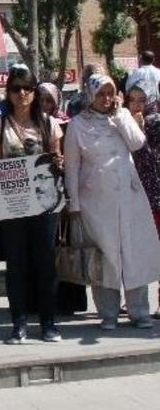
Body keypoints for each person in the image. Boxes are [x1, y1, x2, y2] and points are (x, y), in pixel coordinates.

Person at [64, 74, 160, 330]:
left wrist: (119, 117)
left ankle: (139, 311)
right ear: (90, 95)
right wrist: (73, 204)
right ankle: (108, 313)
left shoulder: (123, 116)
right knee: (105, 257)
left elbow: (138, 143)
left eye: (111, 93)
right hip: (95, 201)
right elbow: (71, 167)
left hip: (129, 198)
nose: (106, 99)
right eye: (101, 94)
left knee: (133, 254)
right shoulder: (77, 125)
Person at [0, 65, 64, 343]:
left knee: (45, 263)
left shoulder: (49, 124)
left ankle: (49, 323)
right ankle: (18, 323)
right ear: (8, 92)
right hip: (13, 205)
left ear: (35, 91)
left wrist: (58, 163)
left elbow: (57, 160)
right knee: (16, 264)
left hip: (44, 204)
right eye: (16, 88)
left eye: (27, 88)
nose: (22, 94)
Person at [126, 85, 160, 318]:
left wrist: (141, 131)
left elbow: (149, 155)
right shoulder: (120, 123)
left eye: (142, 100)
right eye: (133, 100)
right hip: (132, 196)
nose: (138, 105)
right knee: (136, 252)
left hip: (156, 195)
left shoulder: (156, 123)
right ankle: (134, 302)